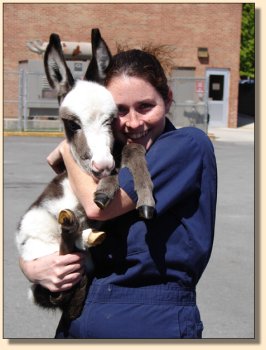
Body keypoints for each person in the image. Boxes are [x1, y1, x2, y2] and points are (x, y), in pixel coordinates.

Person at [19, 48, 217, 339]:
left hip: (151, 324)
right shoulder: (110, 158)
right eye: (120, 111)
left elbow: (98, 208)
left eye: (146, 106)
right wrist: (33, 267)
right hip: (81, 318)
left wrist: (68, 147)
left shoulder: (187, 146)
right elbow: (53, 223)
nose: (133, 122)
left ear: (168, 99)